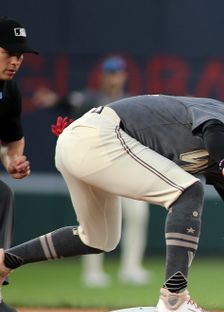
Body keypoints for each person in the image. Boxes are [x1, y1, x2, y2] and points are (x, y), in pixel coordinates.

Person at [0, 86, 224, 312]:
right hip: (97, 138)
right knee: (187, 190)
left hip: (84, 141)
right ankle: (173, 299)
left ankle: (6, 260)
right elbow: (215, 131)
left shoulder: (220, 146)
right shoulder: (223, 116)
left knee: (98, 238)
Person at [34, 55, 151, 287]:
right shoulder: (91, 99)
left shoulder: (129, 101)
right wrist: (52, 101)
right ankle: (93, 271)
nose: (113, 77)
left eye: (117, 73)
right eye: (110, 73)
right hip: (98, 168)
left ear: (124, 75)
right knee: (94, 220)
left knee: (137, 216)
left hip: (126, 170)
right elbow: (68, 102)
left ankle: (131, 268)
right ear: (103, 76)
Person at [0, 17, 35, 312]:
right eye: (8, 52)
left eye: (20, 55)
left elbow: (11, 140)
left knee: (3, 195)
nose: (15, 61)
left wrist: (12, 160)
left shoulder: (9, 92)